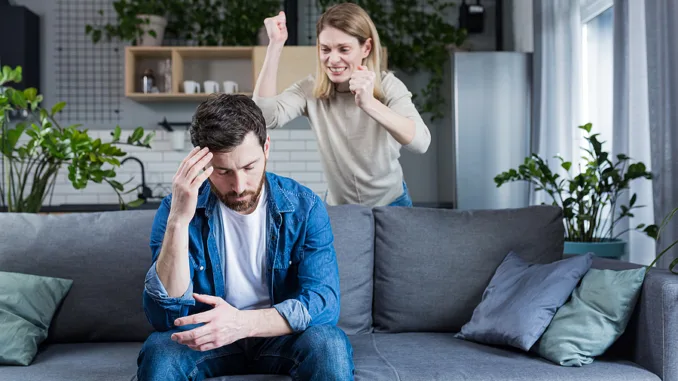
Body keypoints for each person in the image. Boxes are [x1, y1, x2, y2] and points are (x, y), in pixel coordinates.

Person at [136, 94, 354, 381]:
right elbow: (163, 317)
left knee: (329, 344)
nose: (238, 186)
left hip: (279, 335)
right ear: (202, 162)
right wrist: (178, 221)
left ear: (266, 148)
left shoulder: (305, 207)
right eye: (223, 171)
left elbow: (324, 303)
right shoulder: (175, 208)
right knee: (161, 352)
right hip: (209, 338)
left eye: (249, 167)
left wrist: (243, 323)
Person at [253, 3, 431, 208]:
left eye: (344, 49)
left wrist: (369, 104)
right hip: (340, 206)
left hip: (392, 202)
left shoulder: (389, 86)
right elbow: (265, 118)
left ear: (366, 48)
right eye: (325, 49)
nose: (333, 59)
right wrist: (275, 45)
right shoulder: (310, 89)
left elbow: (420, 143)